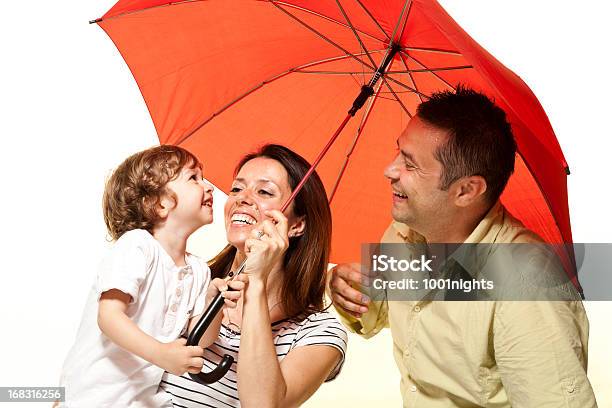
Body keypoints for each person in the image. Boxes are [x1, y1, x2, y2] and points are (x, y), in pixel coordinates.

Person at [329, 87, 598, 407]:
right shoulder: (405, 231)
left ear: (467, 191)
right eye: (399, 152)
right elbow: (386, 312)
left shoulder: (526, 286)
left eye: (410, 165)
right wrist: (354, 293)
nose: (390, 170)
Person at [161, 144, 348, 407]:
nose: (242, 198)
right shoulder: (189, 280)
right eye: (237, 188)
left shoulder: (319, 332)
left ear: (297, 225)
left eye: (264, 191)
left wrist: (257, 281)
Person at [58, 145, 244, 407]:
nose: (209, 187)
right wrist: (162, 355)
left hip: (140, 400)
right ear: (158, 203)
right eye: (194, 178)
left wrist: (215, 301)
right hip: (90, 396)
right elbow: (109, 317)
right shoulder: (137, 246)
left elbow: (200, 338)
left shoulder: (198, 270)